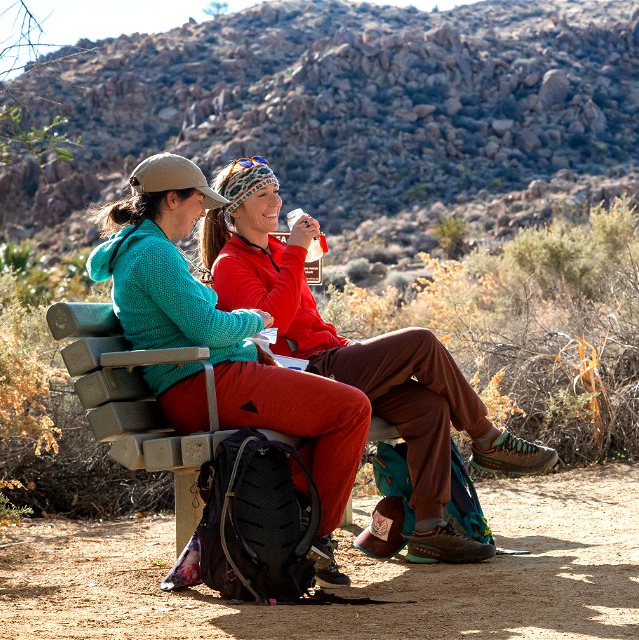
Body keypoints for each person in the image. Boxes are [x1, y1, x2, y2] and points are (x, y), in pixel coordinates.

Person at [199, 155, 559, 565]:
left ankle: (428, 528)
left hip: (334, 354)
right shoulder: (229, 264)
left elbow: (307, 283)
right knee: (420, 342)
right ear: (234, 209)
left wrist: (307, 245)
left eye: (277, 191)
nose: (275, 202)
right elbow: (273, 322)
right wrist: (295, 251)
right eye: (262, 195)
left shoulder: (276, 251)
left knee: (428, 406)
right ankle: (489, 439)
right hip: (308, 373)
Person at [86, 152, 371, 587]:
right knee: (350, 409)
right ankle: (314, 536)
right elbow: (208, 327)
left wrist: (245, 337)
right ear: (173, 199)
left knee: (333, 408)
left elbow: (205, 326)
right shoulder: (153, 255)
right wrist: (257, 320)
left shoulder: (147, 250)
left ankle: (286, 523)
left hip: (209, 381)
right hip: (205, 386)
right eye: (199, 200)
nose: (204, 212)